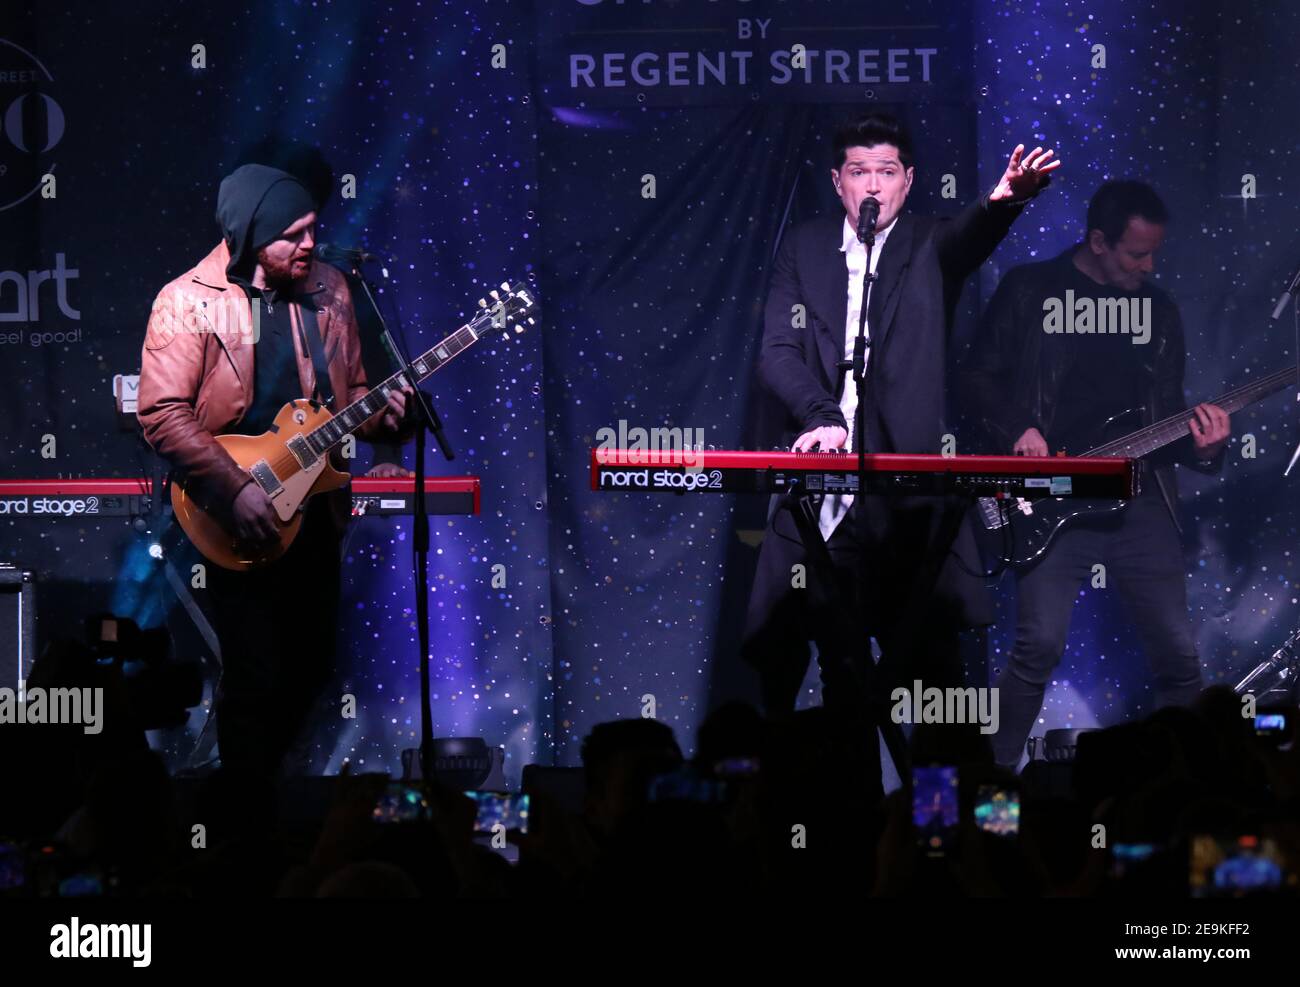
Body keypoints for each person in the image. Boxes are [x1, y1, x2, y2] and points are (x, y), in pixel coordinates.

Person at [742, 111, 1059, 794]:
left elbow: (969, 237)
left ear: (909, 181)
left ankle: (951, 842)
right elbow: (777, 348)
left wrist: (1006, 200)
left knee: (938, 685)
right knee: (842, 679)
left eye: (887, 171)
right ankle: (856, 845)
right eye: (860, 171)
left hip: (911, 508)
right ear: (838, 180)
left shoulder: (928, 244)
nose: (874, 185)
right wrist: (821, 417)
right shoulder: (803, 249)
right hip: (829, 507)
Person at [137, 164, 414, 783]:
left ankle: (256, 792)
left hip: (314, 510)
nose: (310, 245)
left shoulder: (332, 291)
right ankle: (244, 823)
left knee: (313, 666)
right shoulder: (187, 301)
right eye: (293, 234)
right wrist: (232, 488)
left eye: (314, 229)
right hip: (232, 509)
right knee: (255, 672)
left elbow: (353, 397)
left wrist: (388, 416)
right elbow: (161, 412)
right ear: (254, 237)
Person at [960, 180, 1229, 770]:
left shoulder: (1158, 310)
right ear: (1098, 241)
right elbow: (977, 377)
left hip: (1140, 497)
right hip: (1054, 500)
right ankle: (987, 795)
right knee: (1037, 648)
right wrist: (1017, 430)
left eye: (1155, 253)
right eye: (1137, 253)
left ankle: (1179, 792)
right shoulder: (1029, 291)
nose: (1150, 265)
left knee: (1180, 659)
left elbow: (1167, 412)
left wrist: (1206, 450)